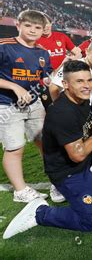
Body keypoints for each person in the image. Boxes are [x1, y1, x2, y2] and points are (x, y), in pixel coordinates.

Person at [3, 60, 92, 239]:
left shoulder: (83, 99)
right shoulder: (63, 112)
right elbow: (77, 155)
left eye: (88, 80)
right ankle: (39, 213)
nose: (86, 86)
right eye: (79, 81)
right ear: (66, 84)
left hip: (90, 158)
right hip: (71, 172)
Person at [0, 10, 52, 203]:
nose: (32, 30)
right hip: (6, 106)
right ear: (18, 25)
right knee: (15, 148)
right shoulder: (4, 46)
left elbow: (45, 78)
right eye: (28, 25)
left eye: (37, 27)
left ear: (43, 30)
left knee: (46, 143)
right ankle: (20, 191)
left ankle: (56, 181)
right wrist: (14, 86)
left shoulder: (42, 53)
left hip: (34, 104)